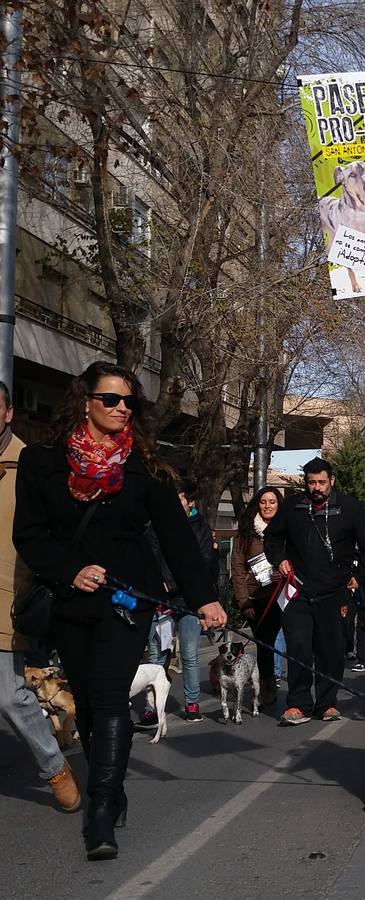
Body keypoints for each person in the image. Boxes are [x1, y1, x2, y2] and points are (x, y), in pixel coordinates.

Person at [13, 362, 224, 860]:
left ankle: (101, 809)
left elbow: (176, 538)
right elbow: (30, 534)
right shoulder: (42, 460)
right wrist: (69, 571)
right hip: (70, 601)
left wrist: (204, 597)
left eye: (129, 402)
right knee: (85, 702)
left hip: (129, 603)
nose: (122, 408)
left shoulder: (146, 467)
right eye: (111, 399)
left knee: (109, 698)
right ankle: (114, 788)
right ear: (85, 400)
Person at [0, 380, 82, 813]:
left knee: (10, 694)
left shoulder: (29, 464)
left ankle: (54, 767)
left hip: (11, 595)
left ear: (9, 413)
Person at [264, 457, 365, 725]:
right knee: (299, 646)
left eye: (322, 482)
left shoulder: (349, 508)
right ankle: (298, 703)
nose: (316, 487)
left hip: (335, 592)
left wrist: (359, 577)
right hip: (298, 590)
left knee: (331, 650)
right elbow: (272, 537)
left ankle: (327, 703)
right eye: (311, 482)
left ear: (332, 481)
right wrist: (279, 558)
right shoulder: (292, 506)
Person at [143, 477, 217, 724]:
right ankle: (152, 707)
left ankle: (192, 703)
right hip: (160, 600)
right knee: (156, 655)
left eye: (179, 500)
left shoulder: (200, 527)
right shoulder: (154, 526)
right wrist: (158, 585)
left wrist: (177, 585)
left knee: (189, 654)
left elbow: (204, 562)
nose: (174, 505)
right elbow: (149, 557)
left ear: (190, 501)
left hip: (189, 601)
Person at [230, 486, 286, 708]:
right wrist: (244, 602)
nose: (268, 506)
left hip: (284, 595)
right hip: (256, 598)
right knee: (265, 644)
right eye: (264, 502)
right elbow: (237, 569)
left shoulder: (287, 531)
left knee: (293, 642)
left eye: (273, 502)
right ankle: (266, 687)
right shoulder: (246, 534)